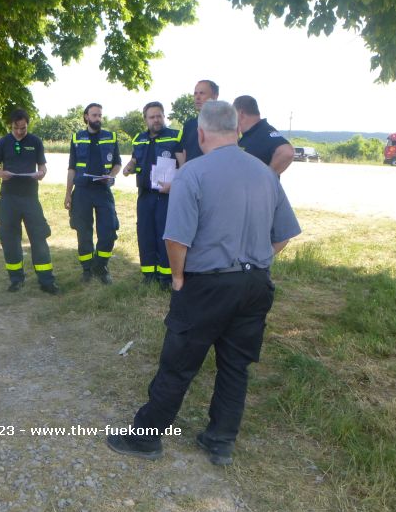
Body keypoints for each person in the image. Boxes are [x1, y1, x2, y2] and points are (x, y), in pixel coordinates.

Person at [107, 100, 301, 466]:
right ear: (238, 131)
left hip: (206, 286)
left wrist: (177, 277)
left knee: (178, 364)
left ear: (200, 132)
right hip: (255, 284)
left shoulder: (193, 173)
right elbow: (284, 233)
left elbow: (175, 239)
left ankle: (146, 439)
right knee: (234, 367)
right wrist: (261, 260)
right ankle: (220, 441)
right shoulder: (264, 174)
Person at [0, 108, 59, 295]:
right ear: (11, 126)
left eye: (24, 128)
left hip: (30, 198)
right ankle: (16, 279)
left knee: (39, 237)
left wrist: (41, 173)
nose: (20, 131)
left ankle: (46, 281)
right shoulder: (3, 142)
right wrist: (1, 174)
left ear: (27, 125)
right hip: (9, 198)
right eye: (16, 128)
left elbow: (43, 167)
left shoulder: (35, 142)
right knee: (9, 239)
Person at [122, 102, 184, 288]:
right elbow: (135, 159)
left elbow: (185, 165)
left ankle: (166, 277)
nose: (156, 120)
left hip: (167, 196)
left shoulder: (175, 136)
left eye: (159, 116)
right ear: (145, 119)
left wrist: (176, 185)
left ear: (164, 116)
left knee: (164, 236)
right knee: (145, 234)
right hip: (145, 195)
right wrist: (129, 167)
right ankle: (148, 275)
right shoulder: (138, 139)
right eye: (152, 117)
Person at [64, 103, 121, 284]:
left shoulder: (111, 137)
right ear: (86, 117)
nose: (98, 118)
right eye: (94, 115)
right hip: (81, 191)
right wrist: (67, 194)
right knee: (83, 232)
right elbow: (72, 168)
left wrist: (111, 176)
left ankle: (101, 266)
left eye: (100, 115)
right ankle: (87, 269)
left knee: (109, 230)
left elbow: (117, 163)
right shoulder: (77, 138)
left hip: (103, 191)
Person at [233, 95, 295, 175]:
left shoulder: (264, 131)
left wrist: (267, 177)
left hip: (257, 187)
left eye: (233, 113)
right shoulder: (248, 134)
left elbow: (287, 152)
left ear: (241, 113)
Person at [179, 79, 219, 163]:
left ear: (215, 96)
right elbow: (185, 153)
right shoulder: (189, 125)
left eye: (202, 93)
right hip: (191, 174)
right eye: (195, 93)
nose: (197, 97)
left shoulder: (224, 123)